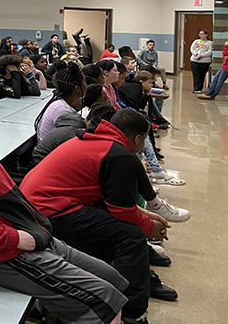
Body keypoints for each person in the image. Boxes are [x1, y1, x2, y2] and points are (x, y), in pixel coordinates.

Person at [0, 88, 129, 324]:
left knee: (112, 279)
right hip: (9, 254)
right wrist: (15, 238)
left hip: (35, 239)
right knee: (105, 301)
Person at [21, 110, 177, 324]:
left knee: (119, 230)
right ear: (138, 138)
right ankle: (133, 314)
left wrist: (147, 216)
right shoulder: (118, 154)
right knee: (131, 237)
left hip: (39, 209)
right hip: (49, 213)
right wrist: (150, 227)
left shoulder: (97, 140)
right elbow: (122, 212)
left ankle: (112, 292)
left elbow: (111, 201)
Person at [34, 63, 86, 141]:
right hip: (51, 152)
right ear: (77, 88)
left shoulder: (61, 103)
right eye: (85, 82)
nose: (86, 86)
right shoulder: (62, 110)